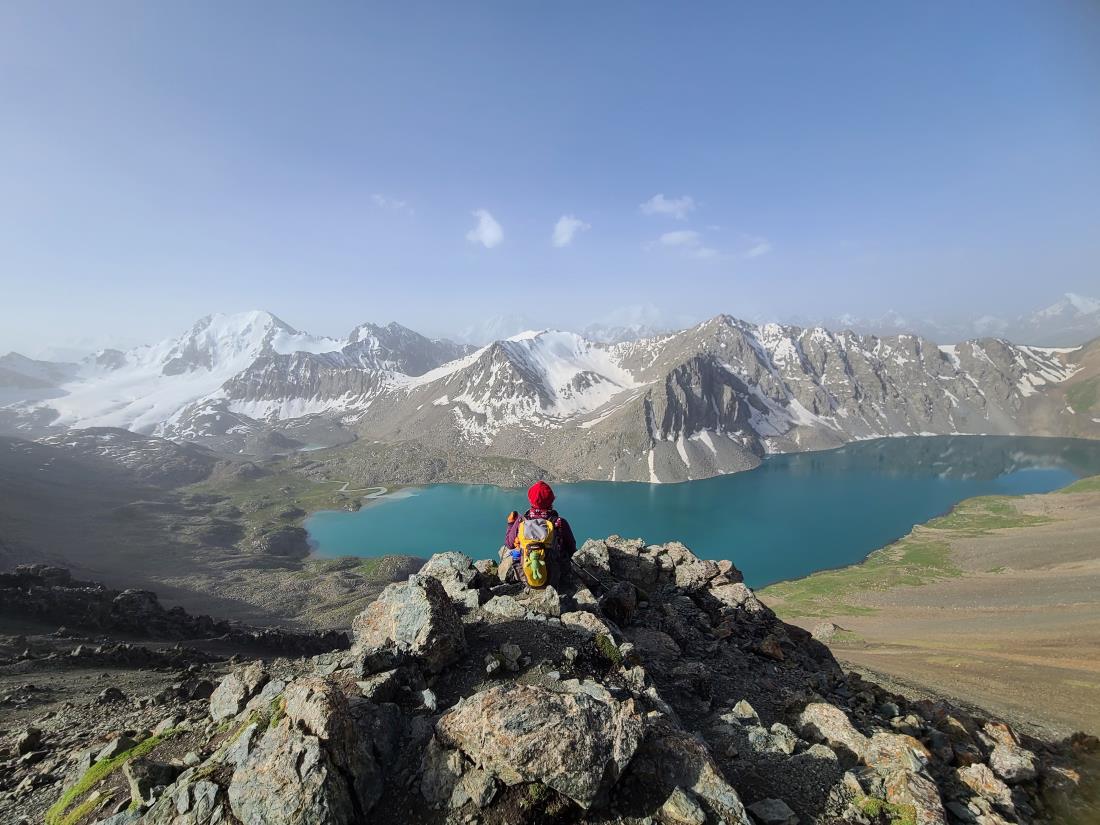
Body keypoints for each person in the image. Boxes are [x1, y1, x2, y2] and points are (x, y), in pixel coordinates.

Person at [503, 480, 577, 588]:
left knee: (515, 552)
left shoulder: (521, 521)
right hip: (555, 576)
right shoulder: (560, 522)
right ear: (551, 501)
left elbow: (509, 544)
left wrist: (510, 524)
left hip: (526, 575)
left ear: (530, 500)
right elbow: (571, 548)